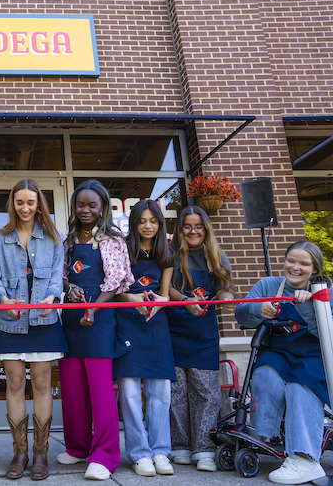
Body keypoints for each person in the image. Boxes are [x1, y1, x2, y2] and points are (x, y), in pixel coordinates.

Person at [0, 179, 66, 480]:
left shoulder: (54, 238)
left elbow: (58, 275)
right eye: (20, 202)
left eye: (31, 202)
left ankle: (41, 454)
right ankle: (20, 452)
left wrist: (53, 298)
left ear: (39, 204)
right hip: (9, 320)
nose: (26, 208)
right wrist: (3, 299)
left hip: (44, 320)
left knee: (43, 384)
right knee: (15, 384)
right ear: (13, 204)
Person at [236, 241, 333, 485]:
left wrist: (310, 306)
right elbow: (241, 315)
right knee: (265, 376)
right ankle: (264, 437)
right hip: (277, 351)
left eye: (304, 263)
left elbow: (327, 335)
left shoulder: (324, 290)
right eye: (292, 260)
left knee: (299, 387)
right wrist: (259, 308)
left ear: (315, 268)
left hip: (315, 355)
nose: (295, 267)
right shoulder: (268, 285)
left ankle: (304, 459)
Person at [58, 179, 133, 481]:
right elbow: (60, 275)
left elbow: (115, 280)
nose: (85, 210)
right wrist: (71, 288)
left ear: (103, 207)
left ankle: (104, 455)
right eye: (80, 204)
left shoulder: (112, 239)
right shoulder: (67, 238)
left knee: (100, 390)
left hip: (100, 318)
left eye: (91, 205)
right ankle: (78, 447)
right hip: (72, 318)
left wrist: (94, 307)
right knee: (72, 386)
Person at [167, 205, 235, 471]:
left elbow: (225, 289)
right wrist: (185, 300)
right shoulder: (170, 255)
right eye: (188, 226)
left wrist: (227, 299)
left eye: (198, 226)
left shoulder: (216, 256)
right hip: (174, 330)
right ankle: (180, 446)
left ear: (206, 228)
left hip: (204, 332)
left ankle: (204, 449)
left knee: (206, 392)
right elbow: (167, 288)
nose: (193, 231)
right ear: (180, 229)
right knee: (177, 392)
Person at [113, 200, 176, 477]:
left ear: (160, 223)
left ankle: (161, 451)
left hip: (156, 324)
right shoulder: (121, 249)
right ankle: (139, 453)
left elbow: (165, 293)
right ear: (134, 223)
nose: (148, 226)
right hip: (128, 324)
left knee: (160, 393)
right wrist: (132, 299)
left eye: (153, 221)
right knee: (128, 394)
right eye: (142, 221)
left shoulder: (168, 253)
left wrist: (158, 304)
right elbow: (115, 290)